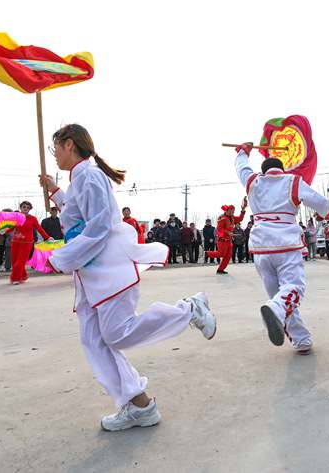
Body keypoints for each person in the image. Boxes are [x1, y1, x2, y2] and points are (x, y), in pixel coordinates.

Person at [40, 123, 216, 431]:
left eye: (55, 146)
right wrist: (55, 192)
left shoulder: (91, 175)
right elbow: (75, 214)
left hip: (108, 265)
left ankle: (190, 308)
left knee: (117, 334)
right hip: (92, 271)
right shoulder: (80, 178)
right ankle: (139, 405)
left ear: (69, 144)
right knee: (94, 341)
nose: (53, 154)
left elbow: (99, 226)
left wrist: (60, 258)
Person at [234, 143, 329, 354]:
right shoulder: (292, 181)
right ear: (281, 169)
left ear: (264, 170)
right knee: (294, 288)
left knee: (279, 294)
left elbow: (241, 167)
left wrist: (243, 151)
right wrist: (325, 214)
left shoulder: (253, 181)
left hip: (260, 247)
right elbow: (321, 202)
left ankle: (301, 339)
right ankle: (275, 309)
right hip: (286, 243)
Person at [10, 201, 51, 285]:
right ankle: (23, 275)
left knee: (20, 261)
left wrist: (47, 237)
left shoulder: (33, 219)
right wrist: (4, 231)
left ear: (29, 209)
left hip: (27, 243)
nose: (25, 208)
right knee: (14, 261)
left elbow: (39, 229)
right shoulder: (16, 217)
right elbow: (11, 227)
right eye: (24, 207)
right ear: (20, 208)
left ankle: (15, 278)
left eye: (28, 207)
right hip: (15, 242)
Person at [205, 202, 247, 274]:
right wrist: (228, 232)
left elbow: (240, 219)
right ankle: (207, 253)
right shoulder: (222, 218)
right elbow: (219, 229)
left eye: (233, 211)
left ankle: (220, 270)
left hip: (229, 240)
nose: (232, 213)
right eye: (231, 211)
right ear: (227, 210)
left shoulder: (232, 218)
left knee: (228, 256)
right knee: (221, 254)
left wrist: (243, 210)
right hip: (222, 240)